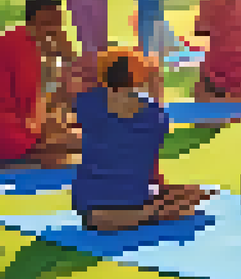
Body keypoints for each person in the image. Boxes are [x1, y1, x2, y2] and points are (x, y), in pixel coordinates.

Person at [73, 49, 211, 231]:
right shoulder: (156, 116)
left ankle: (132, 215)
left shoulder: (87, 103)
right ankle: (148, 213)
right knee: (188, 197)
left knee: (177, 192)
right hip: (132, 198)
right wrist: (154, 87)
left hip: (89, 200)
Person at [0, 0, 82, 168]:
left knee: (78, 136)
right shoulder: (21, 47)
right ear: (41, 21)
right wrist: (66, 57)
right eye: (56, 25)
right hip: (10, 132)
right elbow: (35, 114)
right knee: (81, 145)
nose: (60, 31)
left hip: (19, 123)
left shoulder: (22, 41)